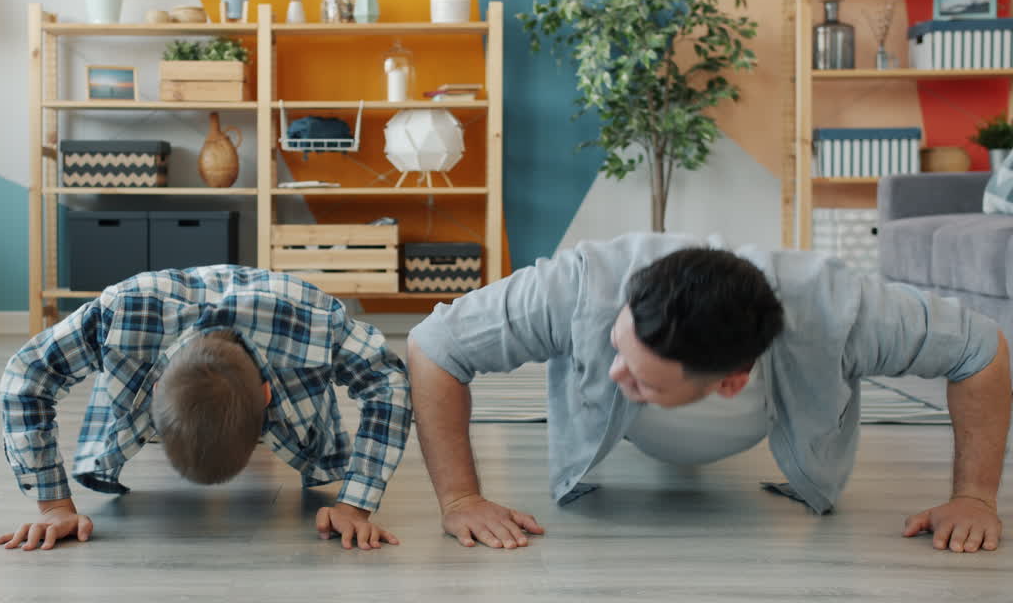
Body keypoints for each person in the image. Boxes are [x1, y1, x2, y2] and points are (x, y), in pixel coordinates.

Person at [407, 233, 1009, 553]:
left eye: (642, 378)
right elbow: (435, 345)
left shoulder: (843, 310)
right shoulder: (576, 286)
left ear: (731, 382)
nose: (616, 372)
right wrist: (461, 500)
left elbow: (980, 350)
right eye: (618, 349)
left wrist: (975, 499)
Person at [0, 265, 411, 552]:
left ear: (268, 396)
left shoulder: (315, 319)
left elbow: (387, 380)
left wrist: (354, 503)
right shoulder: (118, 315)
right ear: (154, 392)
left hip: (279, 346)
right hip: (156, 339)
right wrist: (53, 506)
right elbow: (25, 376)